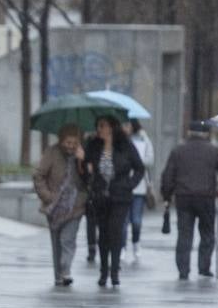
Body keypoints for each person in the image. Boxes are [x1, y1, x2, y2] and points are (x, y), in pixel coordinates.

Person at [160, 119, 218, 281]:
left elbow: (167, 176)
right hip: (206, 197)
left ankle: (183, 270)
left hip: (184, 197)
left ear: (189, 132)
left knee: (184, 234)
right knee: (207, 233)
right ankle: (204, 267)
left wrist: (167, 195)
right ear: (206, 134)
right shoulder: (214, 151)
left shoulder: (178, 151)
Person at [81, 114, 145, 288]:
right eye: (98, 126)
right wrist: (84, 163)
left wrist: (129, 185)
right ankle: (103, 271)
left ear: (111, 127)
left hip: (120, 197)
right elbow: (85, 170)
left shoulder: (125, 145)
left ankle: (115, 271)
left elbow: (140, 168)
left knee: (115, 232)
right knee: (103, 234)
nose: (99, 129)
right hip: (100, 196)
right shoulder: (93, 145)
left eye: (102, 126)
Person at [33, 123, 87, 287]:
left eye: (74, 143)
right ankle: (59, 276)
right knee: (56, 243)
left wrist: (82, 161)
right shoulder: (51, 152)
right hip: (55, 206)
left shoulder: (83, 154)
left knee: (67, 239)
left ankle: (66, 270)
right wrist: (47, 196)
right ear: (61, 140)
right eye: (68, 142)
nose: (71, 146)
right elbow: (39, 175)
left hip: (75, 205)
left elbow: (89, 178)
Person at [125, 119, 154, 262]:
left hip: (139, 186)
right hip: (123, 186)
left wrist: (136, 160)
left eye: (127, 125)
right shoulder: (121, 140)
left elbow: (150, 160)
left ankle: (136, 243)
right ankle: (122, 247)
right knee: (123, 222)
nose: (125, 127)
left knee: (136, 220)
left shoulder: (144, 139)